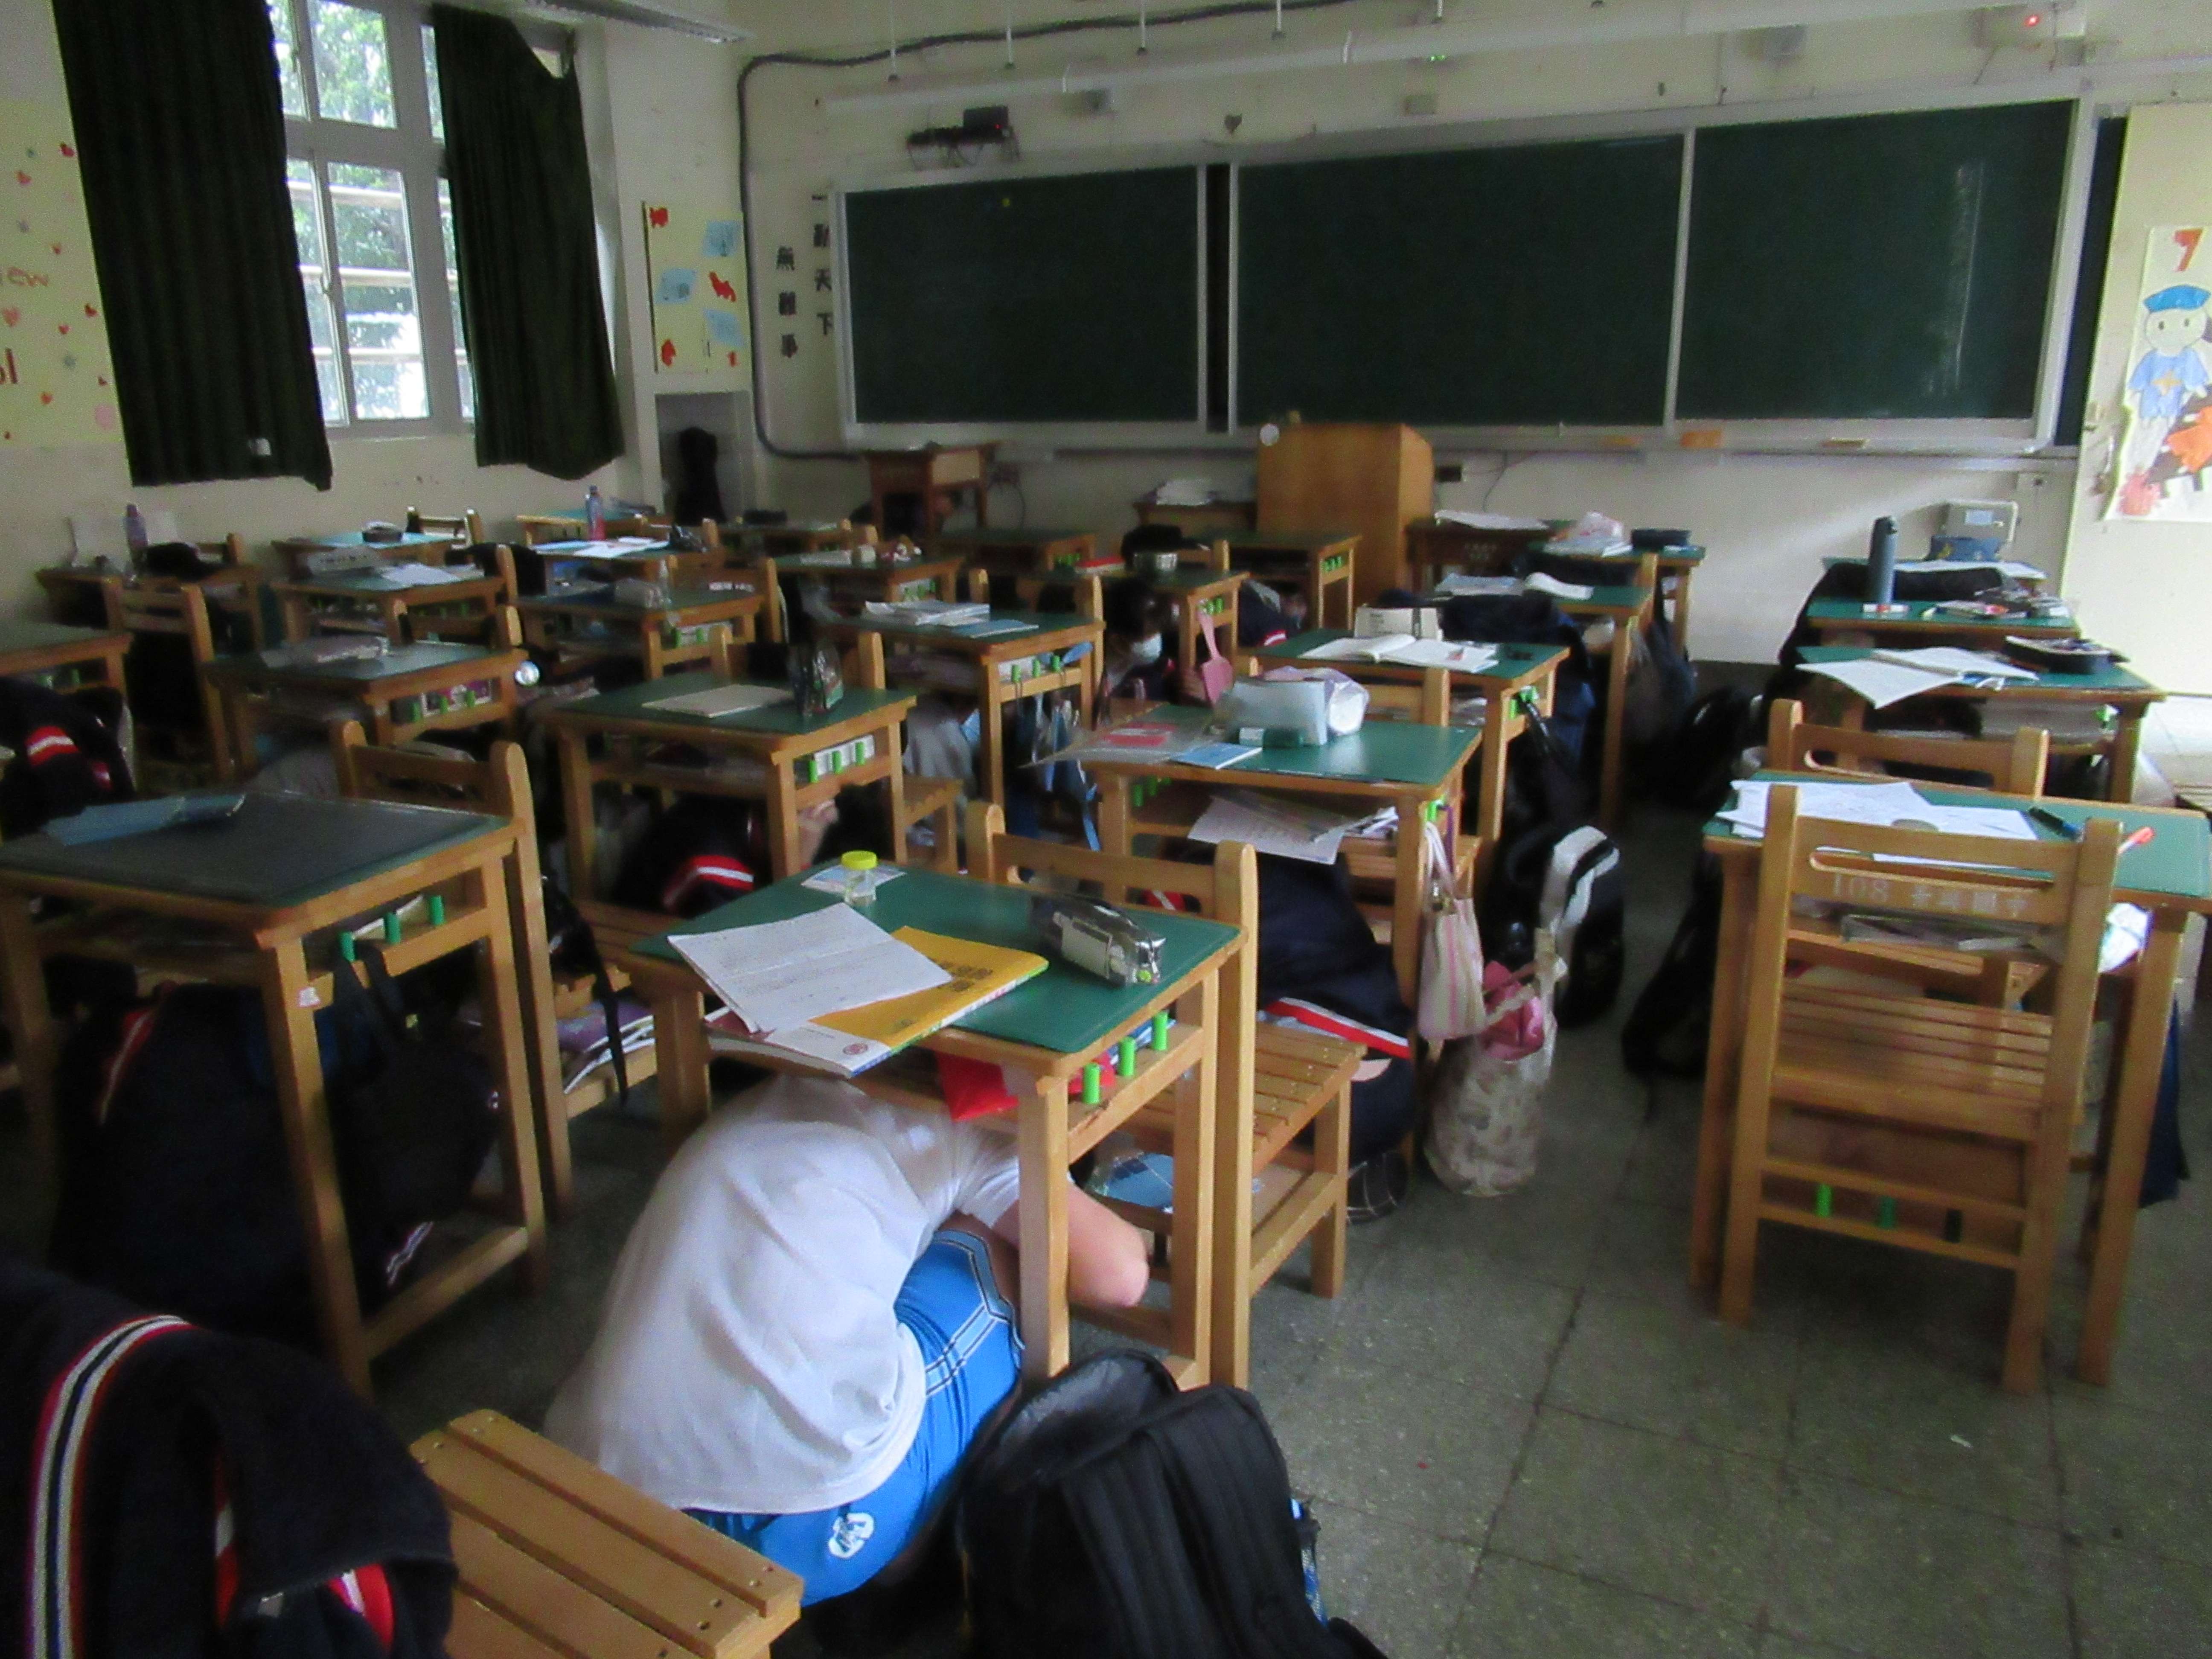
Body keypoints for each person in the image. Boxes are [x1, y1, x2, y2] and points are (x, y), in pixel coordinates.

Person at [543, 1073, 1150, 1604]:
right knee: (1008, 1247)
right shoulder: (973, 1130)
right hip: (797, 1527)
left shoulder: (772, 1097)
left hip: (593, 1488)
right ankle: (907, 1552)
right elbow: (1118, 1278)